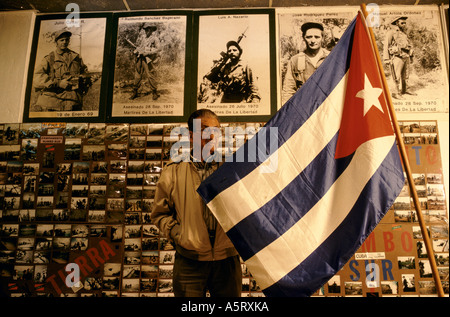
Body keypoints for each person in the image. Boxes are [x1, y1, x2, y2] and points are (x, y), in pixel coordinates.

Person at [151, 109, 242, 297]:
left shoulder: (232, 168)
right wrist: (179, 234)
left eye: (216, 130)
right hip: (189, 261)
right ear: (191, 136)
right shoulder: (173, 171)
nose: (212, 136)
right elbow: (160, 214)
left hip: (227, 260)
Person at [33, 29, 90, 111]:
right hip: (53, 103)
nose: (64, 42)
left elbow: (83, 74)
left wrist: (88, 79)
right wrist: (58, 83)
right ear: (56, 42)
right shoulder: (49, 58)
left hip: (73, 102)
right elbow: (37, 78)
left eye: (67, 40)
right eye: (61, 40)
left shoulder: (76, 57)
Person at [282, 22, 329, 104]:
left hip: (327, 105)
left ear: (322, 38)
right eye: (309, 37)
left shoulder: (331, 58)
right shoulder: (295, 60)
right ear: (303, 38)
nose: (313, 40)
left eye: (317, 37)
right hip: (304, 106)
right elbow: (288, 90)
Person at [383, 16, 416, 99]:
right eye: (402, 23)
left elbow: (408, 44)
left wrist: (411, 53)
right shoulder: (391, 32)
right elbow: (386, 45)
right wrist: (386, 59)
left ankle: (405, 89)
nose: (404, 24)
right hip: (397, 57)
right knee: (396, 76)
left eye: (405, 23)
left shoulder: (404, 33)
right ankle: (395, 93)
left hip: (406, 56)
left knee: (406, 75)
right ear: (397, 23)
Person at [129, 23, 161, 100]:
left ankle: (154, 93)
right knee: (137, 75)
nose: (147, 31)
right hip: (140, 58)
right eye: (146, 29)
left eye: (148, 29)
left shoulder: (155, 39)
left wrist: (147, 53)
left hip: (147, 59)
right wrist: (136, 51)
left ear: (151, 30)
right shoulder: (144, 38)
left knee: (150, 75)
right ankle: (135, 92)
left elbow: (159, 49)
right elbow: (140, 47)